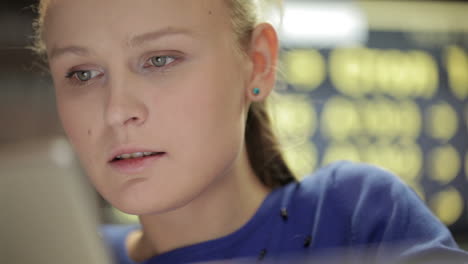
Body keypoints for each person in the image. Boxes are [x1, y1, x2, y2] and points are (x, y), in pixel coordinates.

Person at [32, 0, 467, 263]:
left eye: (160, 59)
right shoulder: (57, 254)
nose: (116, 111)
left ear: (257, 63)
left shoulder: (358, 217)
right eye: (82, 73)